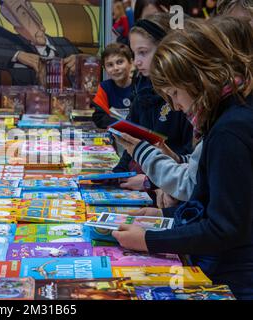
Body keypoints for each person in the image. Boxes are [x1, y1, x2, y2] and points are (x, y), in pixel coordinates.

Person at [112, 19, 253, 300]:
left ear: (196, 79)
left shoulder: (229, 130)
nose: (175, 105)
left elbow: (224, 227)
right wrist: (164, 216)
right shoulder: (228, 117)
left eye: (175, 94)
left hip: (237, 275)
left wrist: (149, 240)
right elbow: (219, 203)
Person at [111, 16, 253, 205]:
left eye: (143, 52)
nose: (175, 105)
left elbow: (197, 189)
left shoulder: (228, 123)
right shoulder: (218, 113)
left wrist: (149, 180)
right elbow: (200, 169)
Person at [112, 13, 193, 192]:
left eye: (143, 52)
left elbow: (191, 159)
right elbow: (130, 141)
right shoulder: (142, 89)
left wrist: (151, 181)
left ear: (165, 48)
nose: (137, 61)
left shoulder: (183, 93)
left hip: (169, 186)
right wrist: (117, 173)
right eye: (134, 53)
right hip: (145, 180)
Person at [0, 0, 81, 86]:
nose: (35, 21)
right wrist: (18, 55)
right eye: (24, 16)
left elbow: (96, 58)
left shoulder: (63, 43)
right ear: (17, 29)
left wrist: (82, 61)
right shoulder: (9, 44)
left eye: (32, 11)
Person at [92, 43, 134, 128]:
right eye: (110, 65)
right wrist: (123, 126)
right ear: (105, 69)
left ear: (131, 62)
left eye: (120, 62)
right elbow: (99, 117)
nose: (115, 68)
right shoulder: (104, 87)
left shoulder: (140, 87)